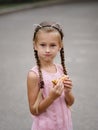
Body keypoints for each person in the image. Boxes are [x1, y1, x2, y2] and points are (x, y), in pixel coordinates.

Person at [27, 21, 75, 130]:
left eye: (53, 45)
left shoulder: (60, 69)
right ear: (35, 45)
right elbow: (34, 110)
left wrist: (67, 91)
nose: (47, 50)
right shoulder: (34, 75)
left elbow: (70, 102)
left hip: (65, 126)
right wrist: (51, 97)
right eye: (43, 45)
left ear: (60, 46)